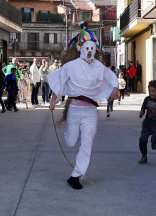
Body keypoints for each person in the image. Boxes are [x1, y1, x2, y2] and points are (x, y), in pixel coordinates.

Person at [48, 32, 118, 190]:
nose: (89, 51)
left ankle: (75, 176)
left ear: (95, 50)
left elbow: (111, 77)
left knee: (87, 144)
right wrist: (53, 100)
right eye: (86, 48)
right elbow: (59, 83)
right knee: (71, 142)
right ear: (81, 49)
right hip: (74, 109)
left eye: (91, 49)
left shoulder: (99, 67)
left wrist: (115, 87)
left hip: (90, 111)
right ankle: (72, 135)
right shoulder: (71, 66)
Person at [138, 80, 156, 164]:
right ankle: (144, 156)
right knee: (142, 140)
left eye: (153, 91)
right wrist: (142, 112)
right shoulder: (146, 99)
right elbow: (143, 108)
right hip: (147, 124)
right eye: (150, 91)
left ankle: (154, 143)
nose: (151, 93)